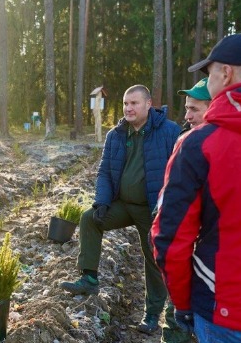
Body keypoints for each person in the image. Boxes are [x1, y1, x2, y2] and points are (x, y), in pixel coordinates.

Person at [151, 33, 241, 342]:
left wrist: (183, 304)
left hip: (225, 310)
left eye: (209, 74)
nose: (208, 82)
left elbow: (169, 238)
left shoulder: (199, 144)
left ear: (226, 73)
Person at [60, 85, 180, 334]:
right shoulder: (116, 134)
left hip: (151, 209)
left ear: (148, 105)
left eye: (134, 103)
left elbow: (178, 173)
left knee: (153, 258)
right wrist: (102, 201)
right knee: (89, 219)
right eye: (126, 103)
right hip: (123, 205)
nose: (129, 108)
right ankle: (89, 278)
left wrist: (164, 207)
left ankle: (152, 314)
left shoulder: (169, 132)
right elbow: (105, 171)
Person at [160, 77, 210, 343]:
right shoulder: (184, 139)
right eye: (187, 108)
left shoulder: (207, 145)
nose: (187, 115)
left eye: (195, 109)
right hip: (185, 259)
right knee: (176, 323)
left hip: (203, 260)